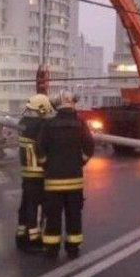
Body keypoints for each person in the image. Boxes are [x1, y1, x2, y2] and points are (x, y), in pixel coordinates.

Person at [37, 90, 95, 259]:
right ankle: (73, 248)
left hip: (53, 182)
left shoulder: (48, 124)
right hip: (74, 181)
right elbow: (89, 146)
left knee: (53, 217)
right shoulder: (80, 124)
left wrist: (46, 163)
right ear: (72, 104)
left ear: (57, 105)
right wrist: (81, 161)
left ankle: (52, 249)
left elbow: (39, 147)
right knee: (74, 216)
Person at [16, 94, 54, 253]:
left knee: (26, 205)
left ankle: (21, 235)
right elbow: (46, 145)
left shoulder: (23, 123)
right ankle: (34, 240)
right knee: (37, 207)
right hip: (39, 172)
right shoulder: (42, 125)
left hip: (26, 172)